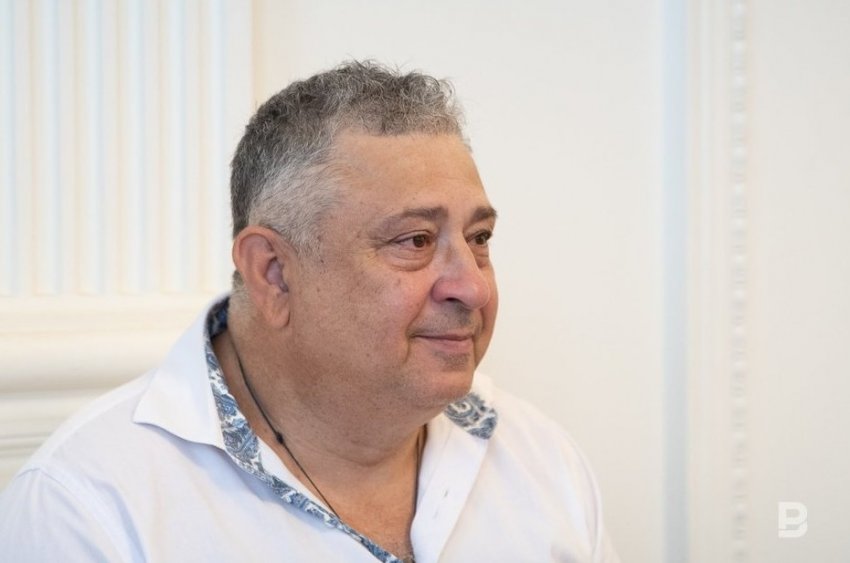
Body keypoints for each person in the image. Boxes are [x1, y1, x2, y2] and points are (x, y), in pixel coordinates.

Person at [0, 61, 619, 562]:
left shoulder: (539, 458)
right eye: (415, 241)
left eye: (479, 238)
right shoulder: (89, 509)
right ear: (273, 272)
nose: (473, 287)